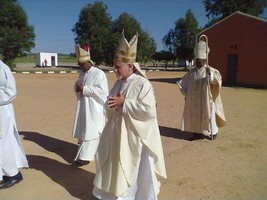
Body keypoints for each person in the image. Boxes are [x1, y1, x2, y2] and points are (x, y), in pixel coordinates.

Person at [93, 30, 167, 199]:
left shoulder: (143, 84)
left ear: (130, 66)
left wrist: (124, 103)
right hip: (118, 134)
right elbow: (110, 105)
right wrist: (111, 103)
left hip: (134, 138)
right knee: (116, 166)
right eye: (114, 66)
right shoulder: (119, 83)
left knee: (132, 171)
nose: (115, 69)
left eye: (118, 67)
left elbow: (149, 110)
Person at [177, 35, 226, 140]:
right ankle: (197, 133)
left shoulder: (211, 71)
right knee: (195, 115)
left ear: (205, 59)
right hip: (194, 100)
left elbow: (217, 82)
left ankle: (213, 132)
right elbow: (184, 83)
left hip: (206, 99)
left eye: (201, 61)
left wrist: (210, 76)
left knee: (209, 115)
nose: (198, 63)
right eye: (197, 61)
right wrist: (186, 94)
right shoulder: (192, 72)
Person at [72, 43, 109, 166]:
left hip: (94, 108)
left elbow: (103, 92)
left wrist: (85, 89)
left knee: (92, 131)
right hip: (84, 107)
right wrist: (77, 88)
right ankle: (85, 154)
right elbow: (77, 84)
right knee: (85, 130)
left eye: (82, 65)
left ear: (88, 62)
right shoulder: (82, 73)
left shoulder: (99, 74)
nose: (80, 67)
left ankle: (84, 157)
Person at [0, 60, 29, 189]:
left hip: (2, 112)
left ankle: (12, 174)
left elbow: (10, 92)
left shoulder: (2, 68)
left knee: (4, 142)